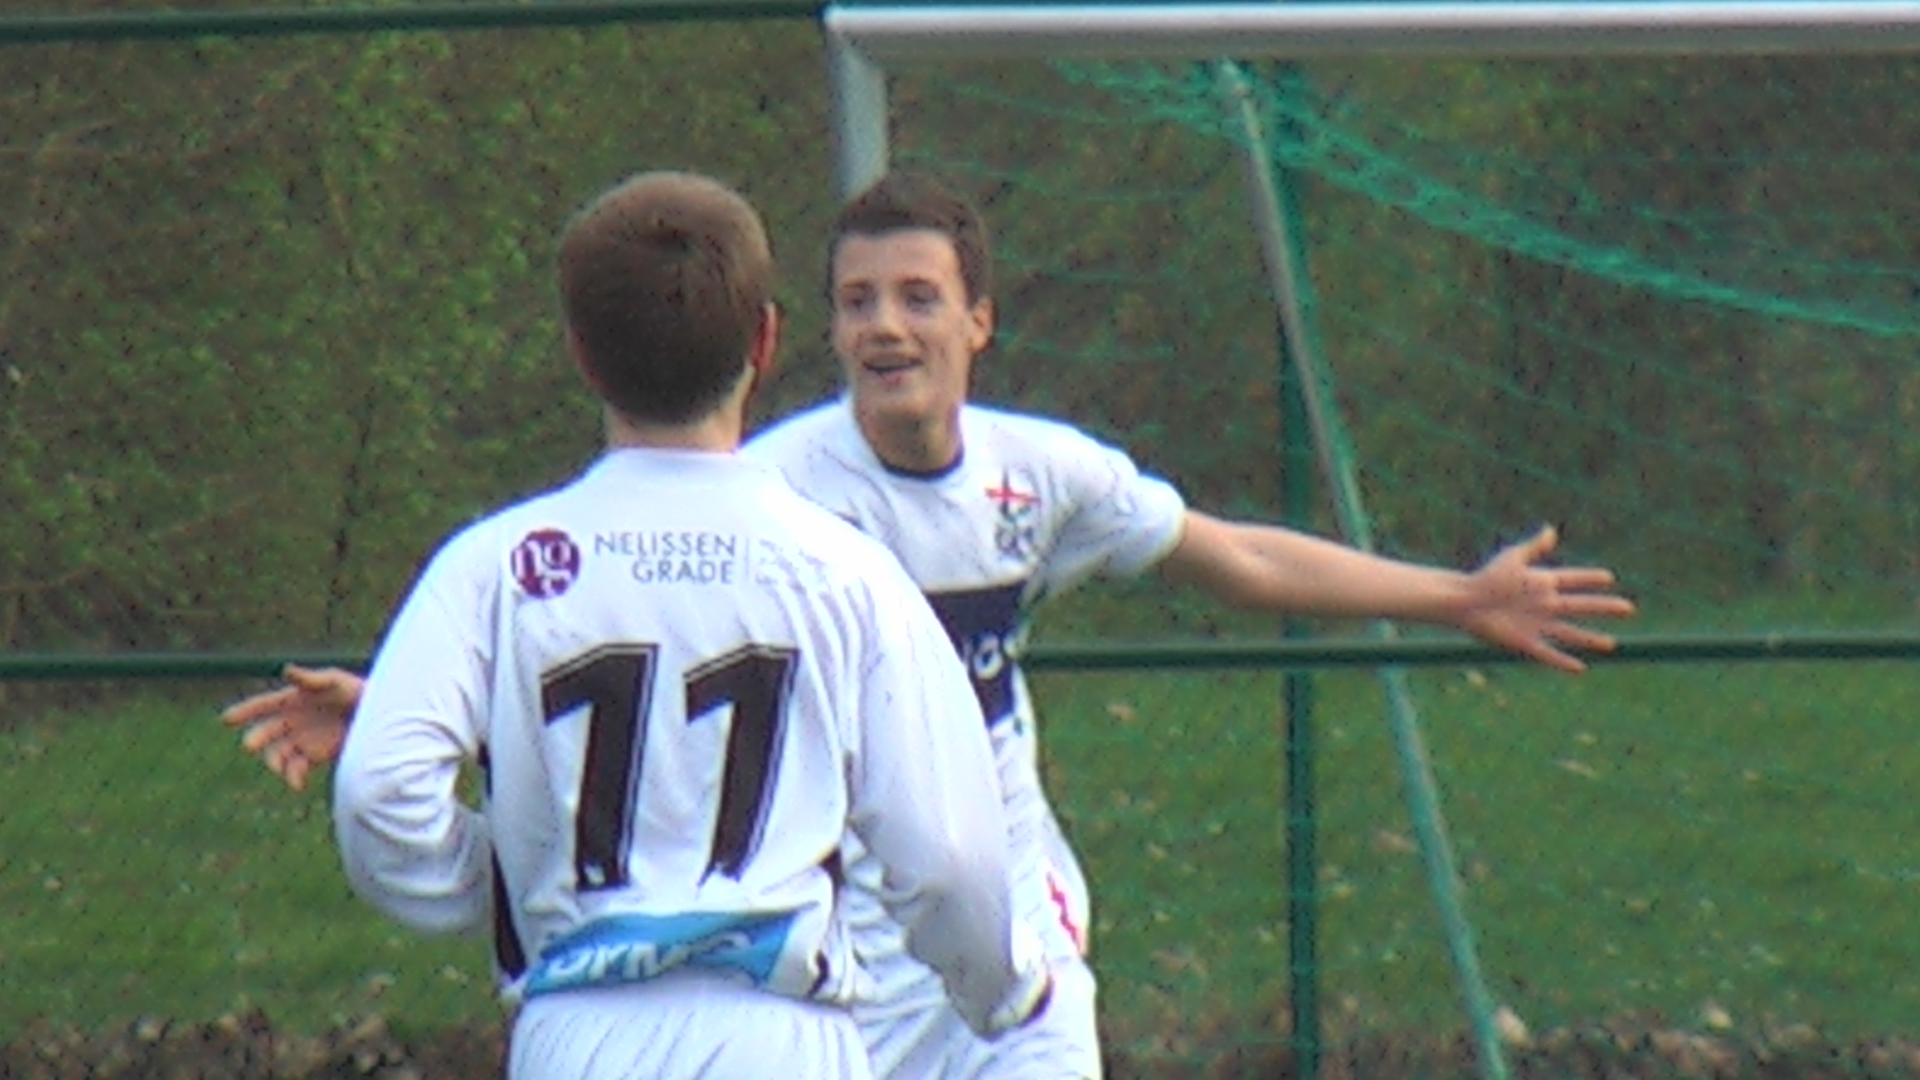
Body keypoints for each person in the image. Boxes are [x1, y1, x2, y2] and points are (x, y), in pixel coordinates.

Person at [227, 169, 1636, 1080]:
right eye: (857, 301)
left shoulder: (1039, 476)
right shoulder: (806, 526)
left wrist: (1457, 594)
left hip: (893, 949)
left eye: (916, 297)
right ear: (786, 338)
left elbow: (1238, 558)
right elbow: (670, 677)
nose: (886, 326)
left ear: (980, 322)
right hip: (834, 963)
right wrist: (452, 707)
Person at [321, 169, 1051, 1080]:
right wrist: (1003, 988)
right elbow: (946, 855)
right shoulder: (847, 573)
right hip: (781, 1036)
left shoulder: (496, 566)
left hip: (579, 1031)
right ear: (765, 340)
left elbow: (379, 794)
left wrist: (507, 873)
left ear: (582, 354)